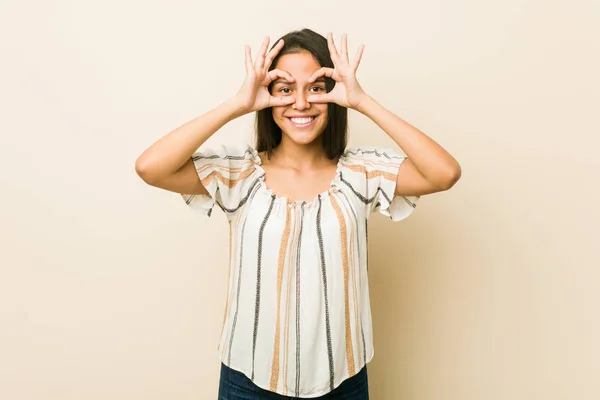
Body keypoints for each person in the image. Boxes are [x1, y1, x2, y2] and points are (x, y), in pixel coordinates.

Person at [135, 28, 461, 400]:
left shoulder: (360, 172)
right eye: (285, 89)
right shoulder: (240, 173)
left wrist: (363, 101)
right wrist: (237, 103)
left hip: (343, 380)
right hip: (249, 380)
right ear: (267, 96)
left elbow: (444, 172)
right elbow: (150, 167)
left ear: (333, 94)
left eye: (317, 87)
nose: (301, 102)